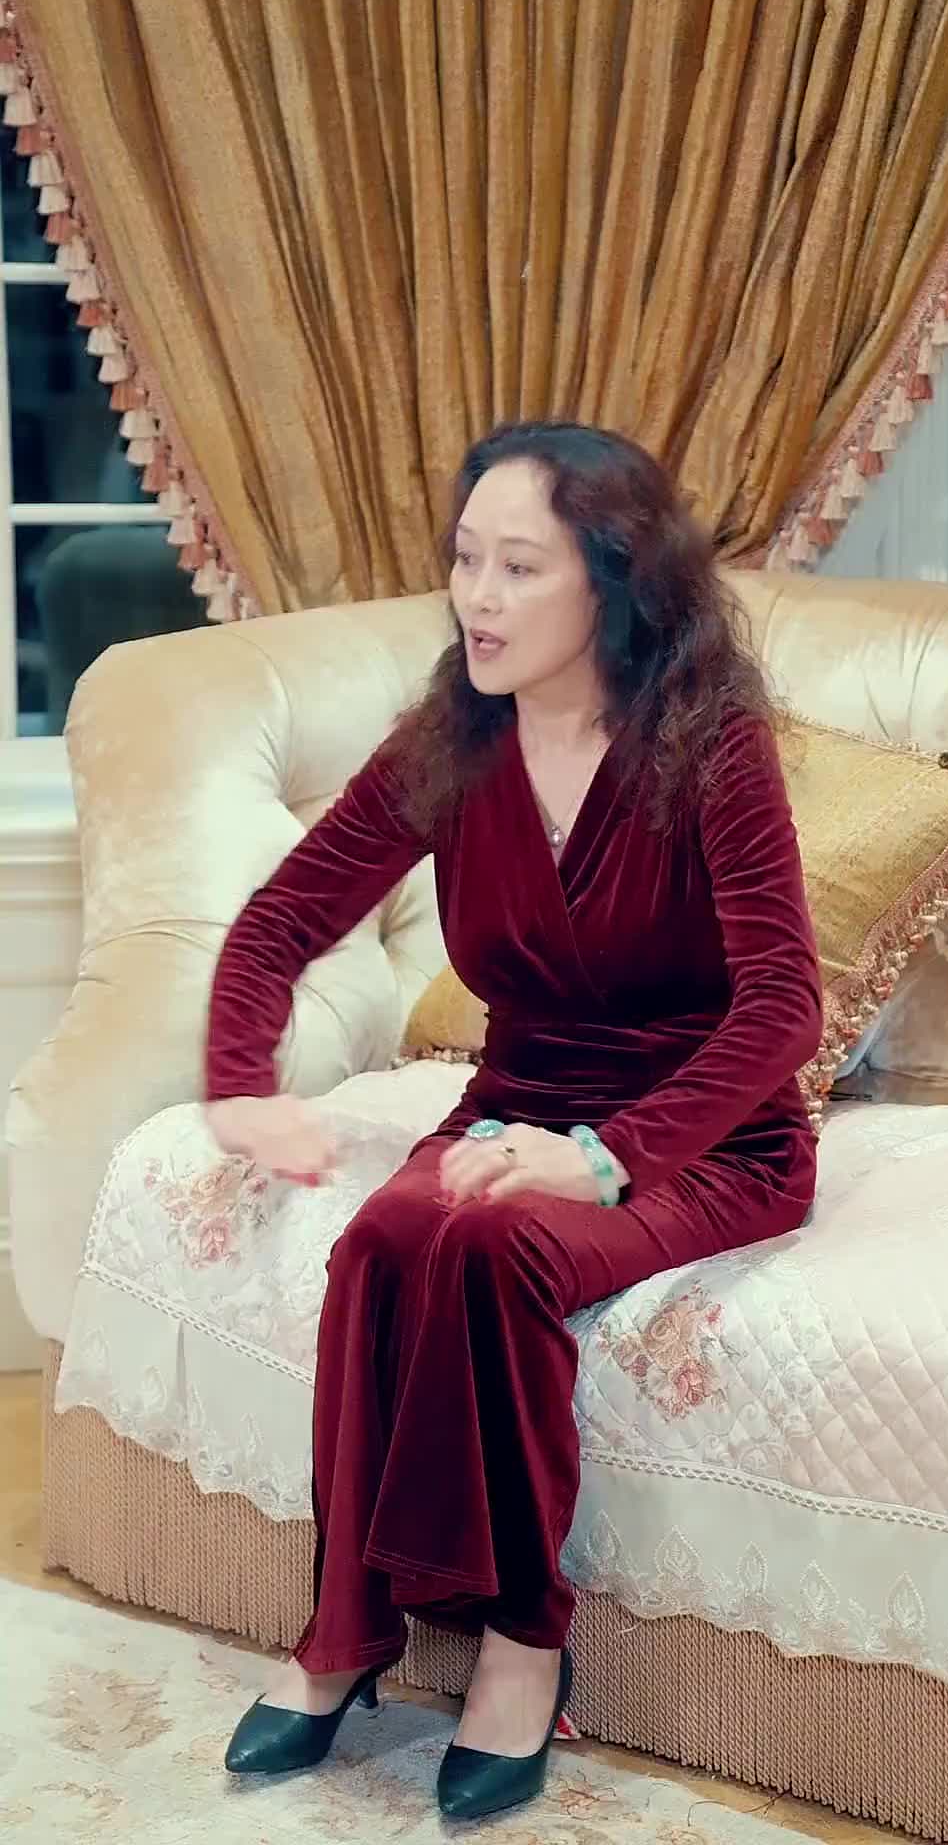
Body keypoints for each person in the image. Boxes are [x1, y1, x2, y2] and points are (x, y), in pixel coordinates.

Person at [205, 421, 823, 1822]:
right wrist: (242, 1081)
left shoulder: (711, 742)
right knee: (385, 1242)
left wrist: (608, 1158)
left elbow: (785, 1005)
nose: (478, 598)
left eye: (520, 567)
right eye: (466, 559)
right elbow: (281, 919)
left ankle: (523, 1641)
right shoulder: (451, 743)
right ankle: (345, 1631)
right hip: (521, 1097)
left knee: (495, 1248)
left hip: (711, 1136)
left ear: (614, 579)